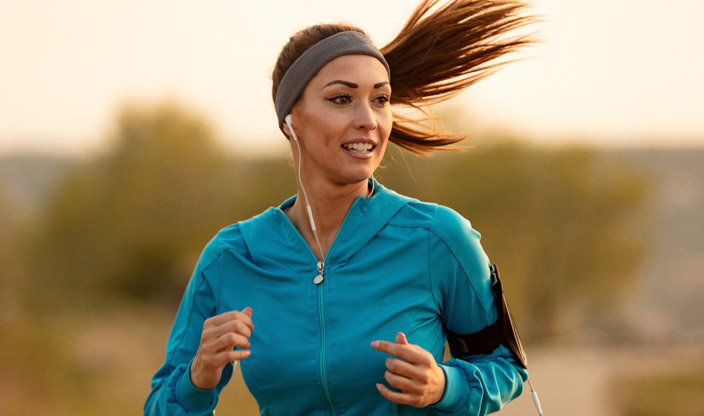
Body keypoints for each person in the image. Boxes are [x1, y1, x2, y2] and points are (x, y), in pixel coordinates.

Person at [145, 1, 535, 415]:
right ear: (291, 119)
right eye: (341, 99)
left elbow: (506, 365)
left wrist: (446, 385)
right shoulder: (232, 257)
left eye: (380, 99)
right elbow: (160, 405)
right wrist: (197, 379)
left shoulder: (438, 238)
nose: (369, 119)